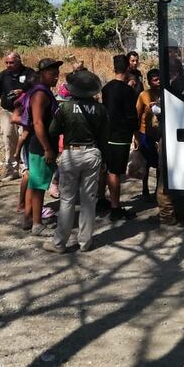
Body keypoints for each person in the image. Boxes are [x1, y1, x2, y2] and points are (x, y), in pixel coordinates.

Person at [44, 69, 108, 253]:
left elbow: (53, 131)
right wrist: (104, 160)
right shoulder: (100, 109)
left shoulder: (64, 108)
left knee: (67, 200)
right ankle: (85, 242)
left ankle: (59, 243)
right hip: (92, 153)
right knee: (89, 200)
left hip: (71, 154)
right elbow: (104, 137)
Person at [25, 58, 62, 236]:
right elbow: (38, 122)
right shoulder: (40, 94)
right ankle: (37, 224)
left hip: (42, 145)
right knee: (39, 186)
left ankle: (29, 218)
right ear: (41, 74)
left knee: (36, 183)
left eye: (57, 74)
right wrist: (47, 148)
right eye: (51, 74)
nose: (55, 77)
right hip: (41, 146)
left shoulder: (45, 91)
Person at [100, 54, 138, 221]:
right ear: (128, 69)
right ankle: (116, 208)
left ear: (113, 68)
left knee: (105, 168)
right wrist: (136, 134)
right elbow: (131, 115)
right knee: (115, 171)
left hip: (107, 134)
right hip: (121, 135)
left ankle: (101, 200)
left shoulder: (106, 88)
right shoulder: (128, 90)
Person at [0, 52, 32, 181]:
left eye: (11, 62)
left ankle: (27, 169)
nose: (8, 65)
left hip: (25, 112)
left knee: (26, 139)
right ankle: (12, 170)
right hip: (7, 112)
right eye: (6, 62)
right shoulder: (3, 75)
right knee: (8, 139)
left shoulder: (29, 73)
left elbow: (37, 89)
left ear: (19, 61)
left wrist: (22, 91)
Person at [135, 68, 162, 199]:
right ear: (150, 82)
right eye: (155, 80)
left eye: (159, 79)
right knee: (146, 162)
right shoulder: (143, 95)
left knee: (159, 164)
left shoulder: (165, 93)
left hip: (160, 133)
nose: (158, 82)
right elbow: (137, 115)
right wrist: (136, 136)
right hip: (145, 133)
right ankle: (145, 189)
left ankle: (158, 189)